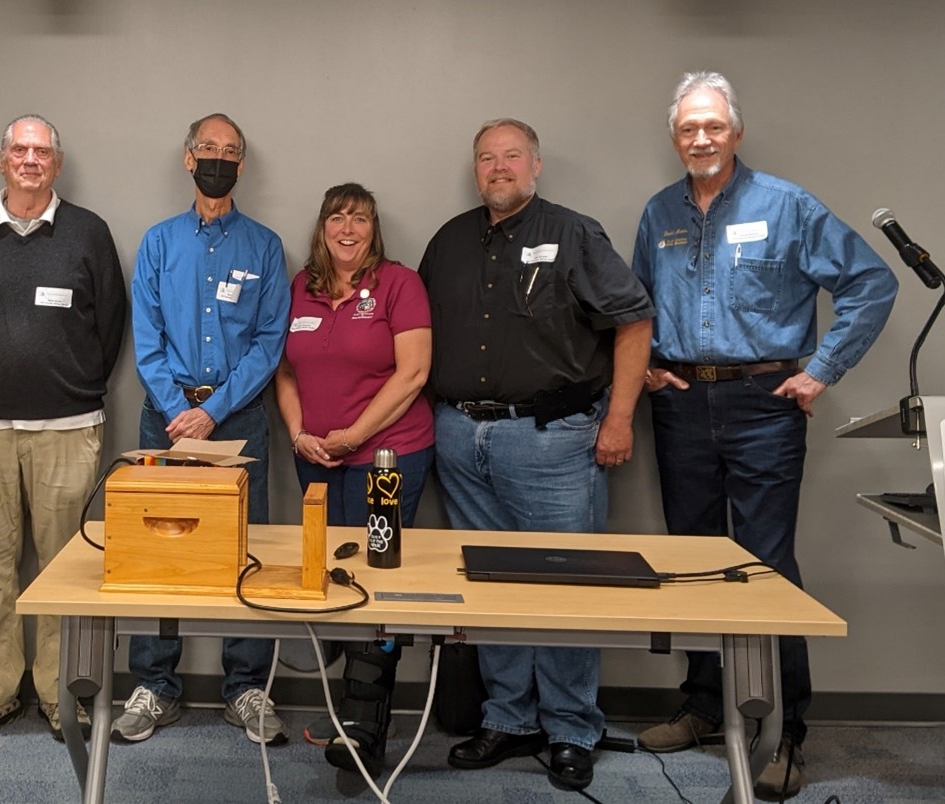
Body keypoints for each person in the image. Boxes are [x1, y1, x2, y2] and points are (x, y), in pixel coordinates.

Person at [632, 72, 897, 799]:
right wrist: (650, 369)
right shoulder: (659, 214)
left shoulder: (787, 206)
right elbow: (635, 310)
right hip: (682, 405)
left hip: (763, 404)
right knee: (690, 557)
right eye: (688, 128)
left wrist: (820, 370)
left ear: (736, 132)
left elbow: (872, 284)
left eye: (713, 126)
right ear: (675, 137)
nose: (701, 138)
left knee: (766, 566)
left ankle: (785, 733)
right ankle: (704, 707)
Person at [420, 118, 654, 792]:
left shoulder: (574, 234)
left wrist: (619, 418)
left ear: (537, 165)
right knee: (488, 585)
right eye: (487, 158)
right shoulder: (450, 241)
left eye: (512, 156)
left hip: (551, 439)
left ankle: (571, 727)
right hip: (462, 437)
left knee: (564, 587)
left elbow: (634, 319)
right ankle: (509, 718)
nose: (499, 167)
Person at [0, 114, 126, 743]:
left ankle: (56, 696)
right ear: (1, 159)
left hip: (68, 426)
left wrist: (69, 383)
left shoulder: (88, 233)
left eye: (41, 151)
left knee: (61, 571)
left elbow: (110, 328)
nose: (29, 159)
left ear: (57, 163)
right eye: (19, 149)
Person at [115, 112, 290, 745]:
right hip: (164, 416)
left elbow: (269, 343)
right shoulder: (158, 243)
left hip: (238, 417)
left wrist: (212, 411)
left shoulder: (265, 247)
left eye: (230, 151)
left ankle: (247, 687)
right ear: (189, 159)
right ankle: (155, 686)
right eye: (207, 148)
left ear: (241, 166)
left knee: (248, 545)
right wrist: (177, 412)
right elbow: (147, 337)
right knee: (156, 545)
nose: (218, 157)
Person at [274, 182, 433, 775]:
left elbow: (413, 374)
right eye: (337, 218)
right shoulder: (301, 288)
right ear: (322, 227)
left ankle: (366, 726)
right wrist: (298, 434)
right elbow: (284, 371)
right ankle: (347, 711)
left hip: (387, 459)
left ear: (374, 229)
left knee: (377, 580)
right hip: (313, 456)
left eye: (359, 219)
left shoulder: (400, 284)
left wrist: (355, 435)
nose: (348, 228)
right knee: (332, 577)